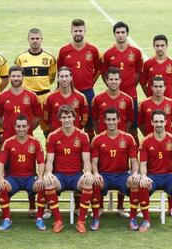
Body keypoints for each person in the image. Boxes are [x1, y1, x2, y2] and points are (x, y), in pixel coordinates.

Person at [42, 105, 93, 233]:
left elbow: (86, 160)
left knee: (88, 181)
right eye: (64, 117)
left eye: (69, 117)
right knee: (48, 183)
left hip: (76, 176)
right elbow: (49, 160)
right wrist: (48, 173)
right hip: (60, 177)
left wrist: (87, 172)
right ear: (60, 119)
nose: (67, 120)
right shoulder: (53, 136)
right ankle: (58, 221)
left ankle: (81, 222)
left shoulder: (82, 136)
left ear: (75, 118)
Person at [92, 67, 134, 214]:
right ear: (106, 80)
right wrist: (100, 134)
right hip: (103, 140)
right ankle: (101, 206)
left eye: (116, 79)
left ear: (120, 80)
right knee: (104, 168)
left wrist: (122, 133)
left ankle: (121, 206)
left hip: (122, 140)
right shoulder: (98, 99)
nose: (114, 82)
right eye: (111, 79)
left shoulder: (127, 99)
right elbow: (95, 119)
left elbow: (129, 120)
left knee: (121, 167)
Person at [138, 110, 172, 232]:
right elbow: (143, 164)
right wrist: (144, 176)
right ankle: (146, 220)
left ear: (166, 122)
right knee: (143, 185)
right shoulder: (145, 141)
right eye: (156, 121)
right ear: (152, 122)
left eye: (161, 121)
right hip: (152, 176)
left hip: (168, 177)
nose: (159, 124)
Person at [90, 107, 141, 231]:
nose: (111, 122)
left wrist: (134, 173)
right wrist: (95, 173)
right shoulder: (97, 139)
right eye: (109, 120)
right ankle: (96, 218)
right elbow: (94, 162)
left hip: (122, 175)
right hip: (104, 175)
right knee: (95, 183)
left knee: (134, 182)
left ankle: (133, 218)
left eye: (114, 119)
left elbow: (134, 161)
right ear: (104, 121)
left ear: (118, 120)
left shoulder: (128, 138)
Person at [0, 115, 45, 230]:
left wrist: (41, 177)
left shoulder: (35, 142)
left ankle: (39, 218)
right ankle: (7, 219)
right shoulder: (8, 142)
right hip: (13, 179)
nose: (21, 129)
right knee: (1, 187)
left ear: (28, 126)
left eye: (23, 126)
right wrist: (2, 178)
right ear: (14, 127)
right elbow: (1, 163)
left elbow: (41, 162)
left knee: (43, 186)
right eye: (18, 126)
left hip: (30, 178)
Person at [57, 19, 101, 140]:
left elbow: (98, 69)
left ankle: (90, 153)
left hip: (87, 92)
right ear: (71, 31)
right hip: (69, 93)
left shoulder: (92, 50)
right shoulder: (64, 51)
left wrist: (90, 82)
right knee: (68, 122)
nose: (78, 33)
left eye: (80, 30)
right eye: (75, 30)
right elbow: (60, 70)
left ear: (84, 31)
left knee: (89, 125)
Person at [102, 21, 143, 145]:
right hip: (113, 97)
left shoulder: (135, 52)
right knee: (113, 127)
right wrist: (114, 88)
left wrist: (130, 86)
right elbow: (104, 75)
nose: (120, 35)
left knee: (133, 129)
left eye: (123, 32)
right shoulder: (108, 54)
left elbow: (138, 73)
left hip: (131, 95)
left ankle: (135, 159)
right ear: (114, 34)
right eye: (118, 32)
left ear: (127, 34)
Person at [14, 28, 56, 136]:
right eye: (32, 38)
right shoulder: (21, 58)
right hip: (27, 97)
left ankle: (48, 152)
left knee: (47, 128)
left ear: (41, 39)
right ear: (28, 39)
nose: (35, 41)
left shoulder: (50, 58)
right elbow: (17, 78)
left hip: (44, 96)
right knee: (24, 126)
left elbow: (52, 77)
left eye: (37, 38)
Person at [0, 66, 41, 141]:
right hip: (8, 138)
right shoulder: (1, 97)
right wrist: (7, 127)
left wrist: (27, 128)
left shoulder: (32, 96)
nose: (16, 78)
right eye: (13, 76)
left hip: (27, 138)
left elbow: (38, 117)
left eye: (18, 76)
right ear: (9, 77)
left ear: (23, 77)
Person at [43, 66, 88, 133]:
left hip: (74, 136)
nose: (64, 79)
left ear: (71, 78)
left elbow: (84, 117)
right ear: (57, 78)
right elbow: (46, 118)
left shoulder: (80, 97)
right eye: (61, 76)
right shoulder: (50, 97)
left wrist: (78, 128)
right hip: (56, 136)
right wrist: (54, 128)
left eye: (66, 76)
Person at [140, 34, 172, 99]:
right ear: (153, 46)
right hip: (152, 102)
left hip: (168, 103)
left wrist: (169, 93)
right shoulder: (147, 64)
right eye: (157, 46)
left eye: (162, 45)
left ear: (166, 46)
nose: (159, 48)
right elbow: (143, 83)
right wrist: (149, 96)